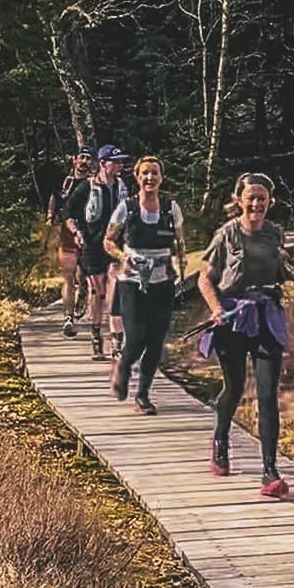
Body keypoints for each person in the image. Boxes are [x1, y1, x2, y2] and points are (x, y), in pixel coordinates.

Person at [197, 172, 294, 496]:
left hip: (267, 316)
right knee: (235, 388)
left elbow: (277, 266)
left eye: (262, 199)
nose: (256, 204)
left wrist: (291, 278)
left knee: (268, 395)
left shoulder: (274, 234)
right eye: (250, 198)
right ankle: (220, 437)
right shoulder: (226, 235)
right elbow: (205, 279)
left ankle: (270, 471)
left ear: (270, 201)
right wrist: (215, 309)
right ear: (238, 199)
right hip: (233, 319)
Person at [107, 155, 183, 413]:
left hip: (162, 283)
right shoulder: (126, 208)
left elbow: (180, 244)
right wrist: (122, 257)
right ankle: (123, 365)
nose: (150, 178)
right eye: (145, 174)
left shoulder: (171, 209)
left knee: (156, 341)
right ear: (137, 178)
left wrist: (181, 271)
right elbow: (108, 241)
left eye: (154, 173)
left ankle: (143, 396)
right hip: (132, 282)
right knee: (137, 337)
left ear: (161, 178)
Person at [63, 146, 128, 359]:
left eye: (120, 162)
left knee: (115, 291)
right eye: (115, 161)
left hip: (116, 246)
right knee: (98, 293)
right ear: (102, 163)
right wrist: (77, 233)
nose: (119, 165)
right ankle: (96, 338)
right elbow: (69, 213)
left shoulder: (122, 187)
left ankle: (117, 342)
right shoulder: (86, 187)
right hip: (91, 245)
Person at [49, 149, 90, 335]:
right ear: (74, 160)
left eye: (88, 159)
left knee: (83, 277)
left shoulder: (94, 184)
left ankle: (83, 297)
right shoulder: (65, 182)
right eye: (81, 157)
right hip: (67, 231)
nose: (84, 162)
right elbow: (54, 197)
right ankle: (68, 316)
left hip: (89, 232)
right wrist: (50, 215)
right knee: (68, 275)